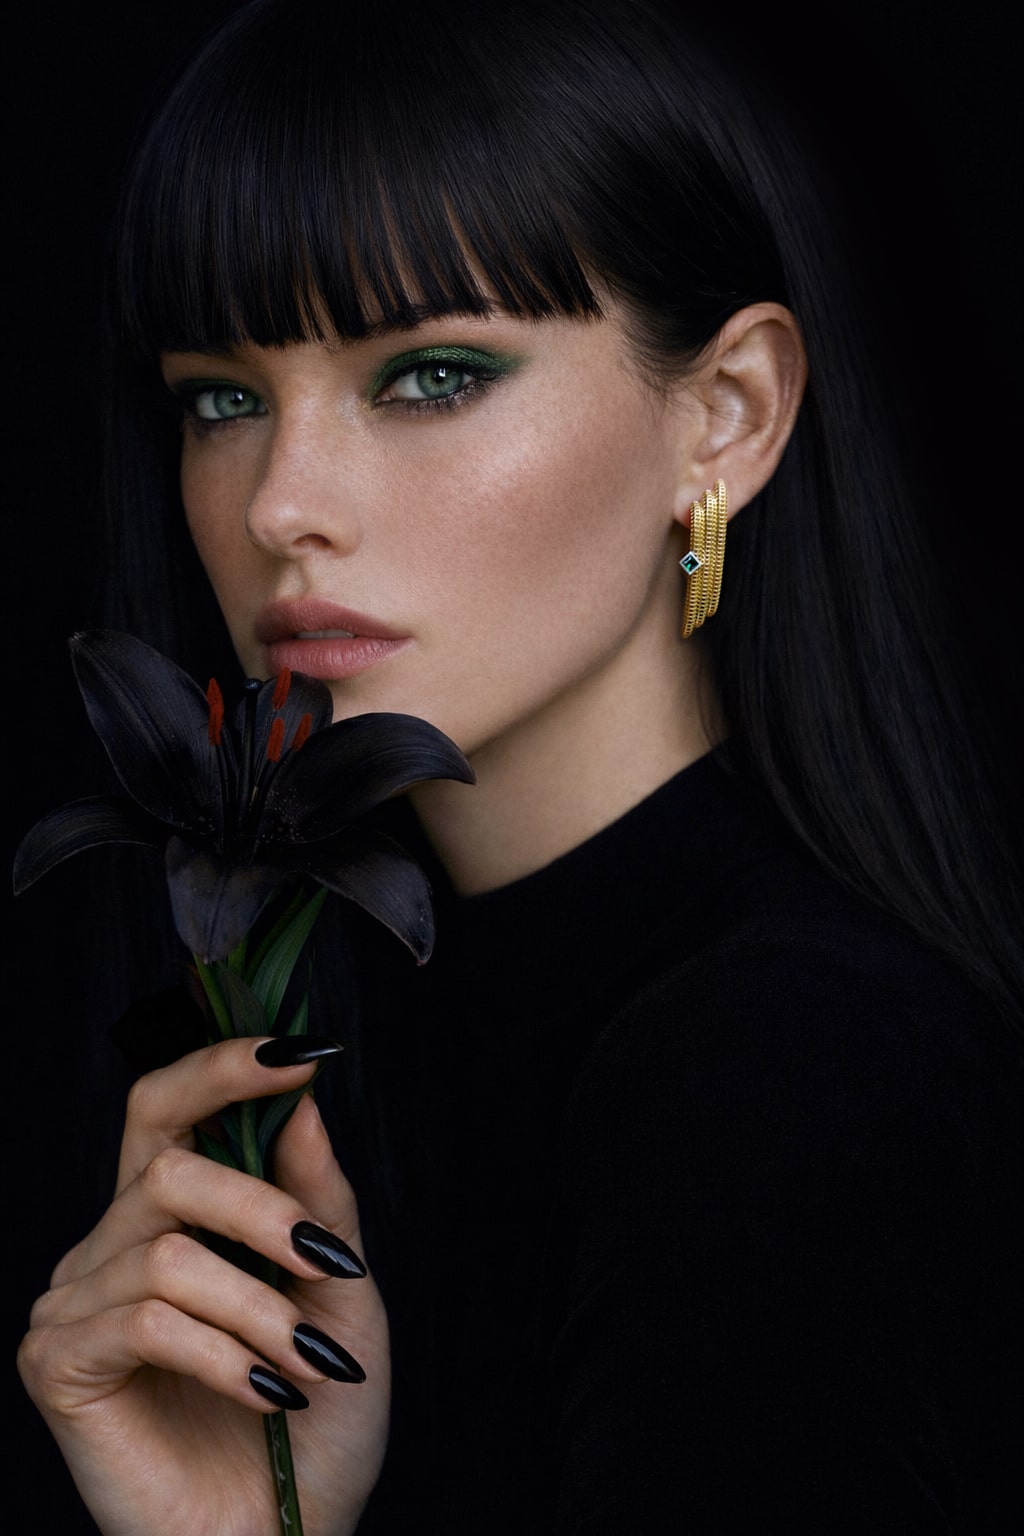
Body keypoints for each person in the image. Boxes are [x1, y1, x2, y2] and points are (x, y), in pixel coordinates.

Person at [14, 0, 1024, 1530]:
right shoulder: (320, 1044)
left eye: (430, 375)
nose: (281, 503)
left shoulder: (790, 1073)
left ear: (728, 416)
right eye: (222, 398)